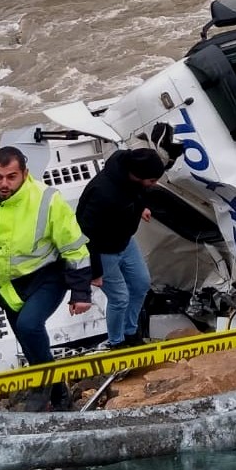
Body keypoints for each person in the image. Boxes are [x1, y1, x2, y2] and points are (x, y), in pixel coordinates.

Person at [0, 146, 93, 411]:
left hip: (47, 277)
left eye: (11, 177)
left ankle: (41, 388)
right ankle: (59, 393)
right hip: (3, 283)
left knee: (29, 326)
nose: (4, 183)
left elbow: (74, 247)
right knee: (27, 338)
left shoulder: (47, 200)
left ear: (25, 174)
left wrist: (80, 292)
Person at [76, 147, 165, 350]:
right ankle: (117, 343)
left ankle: (130, 331)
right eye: (152, 180)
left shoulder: (131, 173)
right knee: (119, 298)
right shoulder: (104, 193)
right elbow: (85, 233)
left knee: (141, 284)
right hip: (103, 251)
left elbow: (137, 192)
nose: (155, 184)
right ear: (138, 176)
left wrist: (140, 208)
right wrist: (95, 271)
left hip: (125, 241)